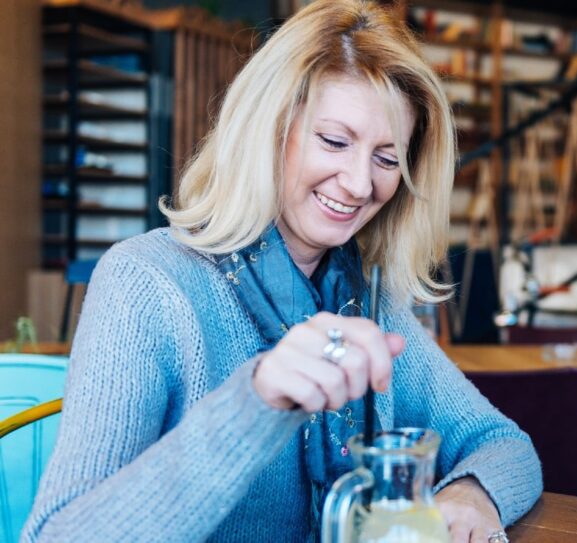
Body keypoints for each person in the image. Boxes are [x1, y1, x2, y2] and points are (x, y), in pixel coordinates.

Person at [24, 2, 541, 542]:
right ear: (268, 129)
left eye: (387, 159)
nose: (360, 184)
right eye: (335, 142)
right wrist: (258, 401)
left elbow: (504, 443)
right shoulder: (145, 282)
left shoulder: (366, 298)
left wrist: (470, 493)